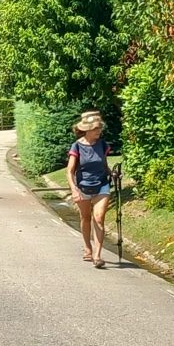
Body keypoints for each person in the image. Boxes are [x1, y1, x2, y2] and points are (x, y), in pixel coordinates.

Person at [66, 110, 112, 269]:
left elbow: (104, 164)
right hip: (83, 187)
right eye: (95, 128)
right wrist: (74, 189)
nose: (98, 131)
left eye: (99, 128)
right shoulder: (77, 146)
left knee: (98, 218)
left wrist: (112, 174)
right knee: (85, 218)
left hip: (101, 185)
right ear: (86, 129)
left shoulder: (102, 144)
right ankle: (87, 247)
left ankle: (97, 255)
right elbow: (70, 171)